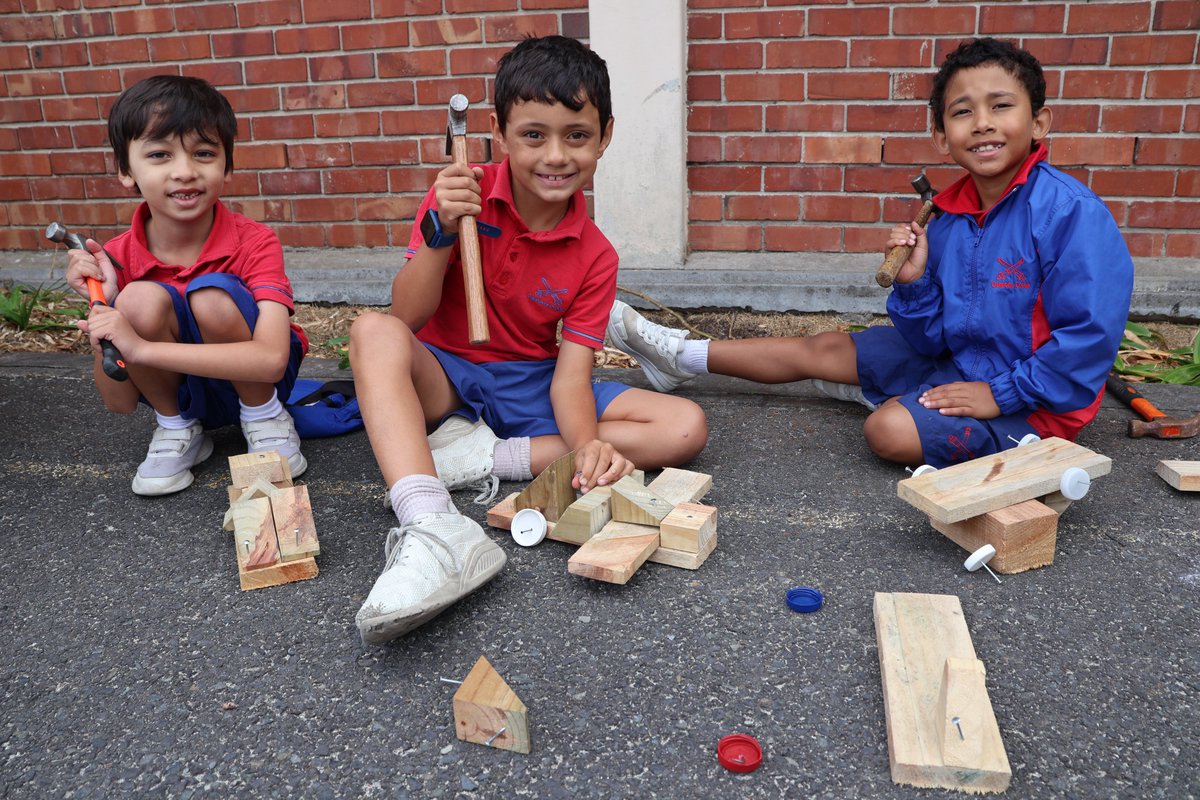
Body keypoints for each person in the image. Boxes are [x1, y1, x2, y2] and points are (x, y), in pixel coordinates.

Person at [609, 37, 1133, 470]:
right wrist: (915, 283)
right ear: (940, 136)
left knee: (887, 431)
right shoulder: (946, 216)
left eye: (1001, 106)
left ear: (1039, 123)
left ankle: (918, 406)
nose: (982, 122)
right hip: (957, 363)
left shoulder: (1069, 213)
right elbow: (929, 336)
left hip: (1039, 405)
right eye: (962, 111)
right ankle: (678, 356)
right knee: (826, 349)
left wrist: (1001, 395)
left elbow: (1088, 339)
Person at [349, 35, 708, 645]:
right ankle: (433, 523)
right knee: (371, 331)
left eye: (577, 135)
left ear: (606, 135)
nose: (556, 156)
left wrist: (589, 446)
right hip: (442, 371)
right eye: (533, 135)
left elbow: (571, 376)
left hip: (529, 383)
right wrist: (439, 233)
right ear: (498, 130)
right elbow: (405, 315)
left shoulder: (596, 255)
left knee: (684, 426)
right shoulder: (459, 194)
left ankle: (483, 459)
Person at [65, 75, 308, 496]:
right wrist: (104, 306)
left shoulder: (256, 241)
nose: (185, 171)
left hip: (257, 383)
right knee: (137, 299)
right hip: (178, 390)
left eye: (203, 153)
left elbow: (271, 360)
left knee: (212, 296)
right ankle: (177, 427)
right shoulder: (116, 259)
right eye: (160, 154)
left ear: (226, 165)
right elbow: (118, 402)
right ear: (126, 171)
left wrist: (139, 348)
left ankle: (265, 419)